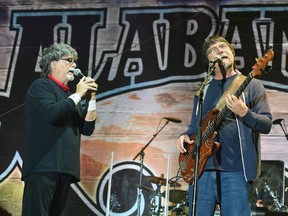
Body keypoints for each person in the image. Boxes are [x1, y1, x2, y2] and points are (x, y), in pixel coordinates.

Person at [176, 35, 272, 216]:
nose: (220, 50)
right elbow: (194, 126)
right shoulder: (203, 90)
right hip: (201, 170)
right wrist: (184, 136)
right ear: (209, 61)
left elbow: (266, 124)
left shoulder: (252, 85)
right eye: (213, 50)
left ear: (232, 53)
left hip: (235, 170)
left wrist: (245, 113)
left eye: (223, 47)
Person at [21, 43, 98, 216]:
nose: (74, 65)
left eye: (75, 61)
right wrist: (78, 95)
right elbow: (52, 113)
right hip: (43, 166)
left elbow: (87, 129)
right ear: (53, 64)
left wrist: (92, 99)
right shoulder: (41, 86)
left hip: (65, 168)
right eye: (69, 60)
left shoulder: (69, 96)